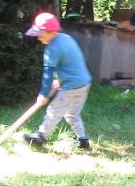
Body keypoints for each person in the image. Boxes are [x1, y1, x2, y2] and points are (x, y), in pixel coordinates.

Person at [21, 12, 93, 152]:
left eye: (41, 34)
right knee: (72, 114)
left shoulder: (52, 49)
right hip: (84, 83)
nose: (38, 37)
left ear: (52, 32)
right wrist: (59, 78)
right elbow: (71, 62)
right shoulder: (66, 38)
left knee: (54, 110)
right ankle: (83, 140)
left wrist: (43, 94)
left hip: (71, 87)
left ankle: (40, 137)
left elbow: (47, 74)